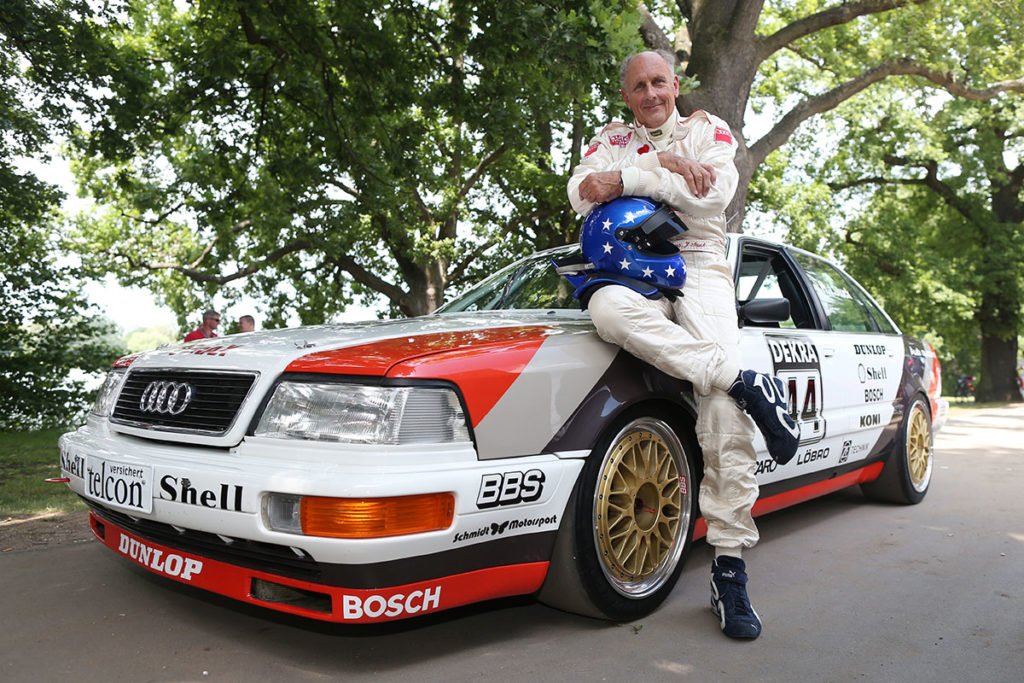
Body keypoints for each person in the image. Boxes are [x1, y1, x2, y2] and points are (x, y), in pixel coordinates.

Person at [567, 50, 799, 640]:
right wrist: (660, 166)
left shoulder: (709, 130)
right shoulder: (608, 138)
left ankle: (729, 567)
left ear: (676, 85)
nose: (650, 94)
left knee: (719, 410)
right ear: (627, 95)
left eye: (659, 82)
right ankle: (741, 378)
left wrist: (635, 176)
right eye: (638, 86)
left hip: (698, 265)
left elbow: (711, 198)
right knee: (601, 307)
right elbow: (582, 191)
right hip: (630, 272)